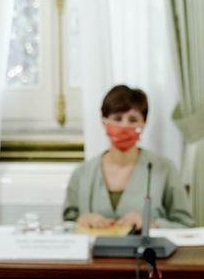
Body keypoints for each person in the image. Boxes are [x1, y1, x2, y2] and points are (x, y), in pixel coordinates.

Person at [62, 84, 193, 231]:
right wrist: (82, 220)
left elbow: (185, 224)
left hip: (147, 253)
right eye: (117, 118)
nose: (124, 126)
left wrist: (151, 225)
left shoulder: (164, 169)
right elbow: (67, 225)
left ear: (143, 123)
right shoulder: (82, 173)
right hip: (95, 253)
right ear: (103, 121)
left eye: (133, 120)